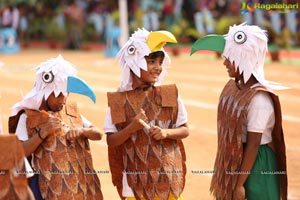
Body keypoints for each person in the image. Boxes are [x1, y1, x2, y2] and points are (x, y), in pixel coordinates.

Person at [191, 23, 287, 200]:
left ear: (245, 59)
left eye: (229, 57)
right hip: (239, 158)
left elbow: (253, 144)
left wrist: (239, 184)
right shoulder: (236, 88)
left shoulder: (259, 99)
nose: (225, 62)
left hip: (256, 164)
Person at [104, 28, 189, 200]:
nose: (157, 67)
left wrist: (166, 132)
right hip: (135, 186)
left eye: (160, 62)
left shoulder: (169, 93)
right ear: (134, 61)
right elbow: (111, 140)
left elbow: (185, 129)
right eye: (151, 61)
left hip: (168, 181)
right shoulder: (119, 99)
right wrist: (131, 128)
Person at [9, 55, 103, 200]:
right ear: (45, 92)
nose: (63, 100)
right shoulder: (26, 117)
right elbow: (19, 152)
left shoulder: (70, 111)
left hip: (77, 184)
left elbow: (98, 134)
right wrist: (43, 133)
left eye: (66, 94)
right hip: (43, 186)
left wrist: (82, 131)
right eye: (58, 95)